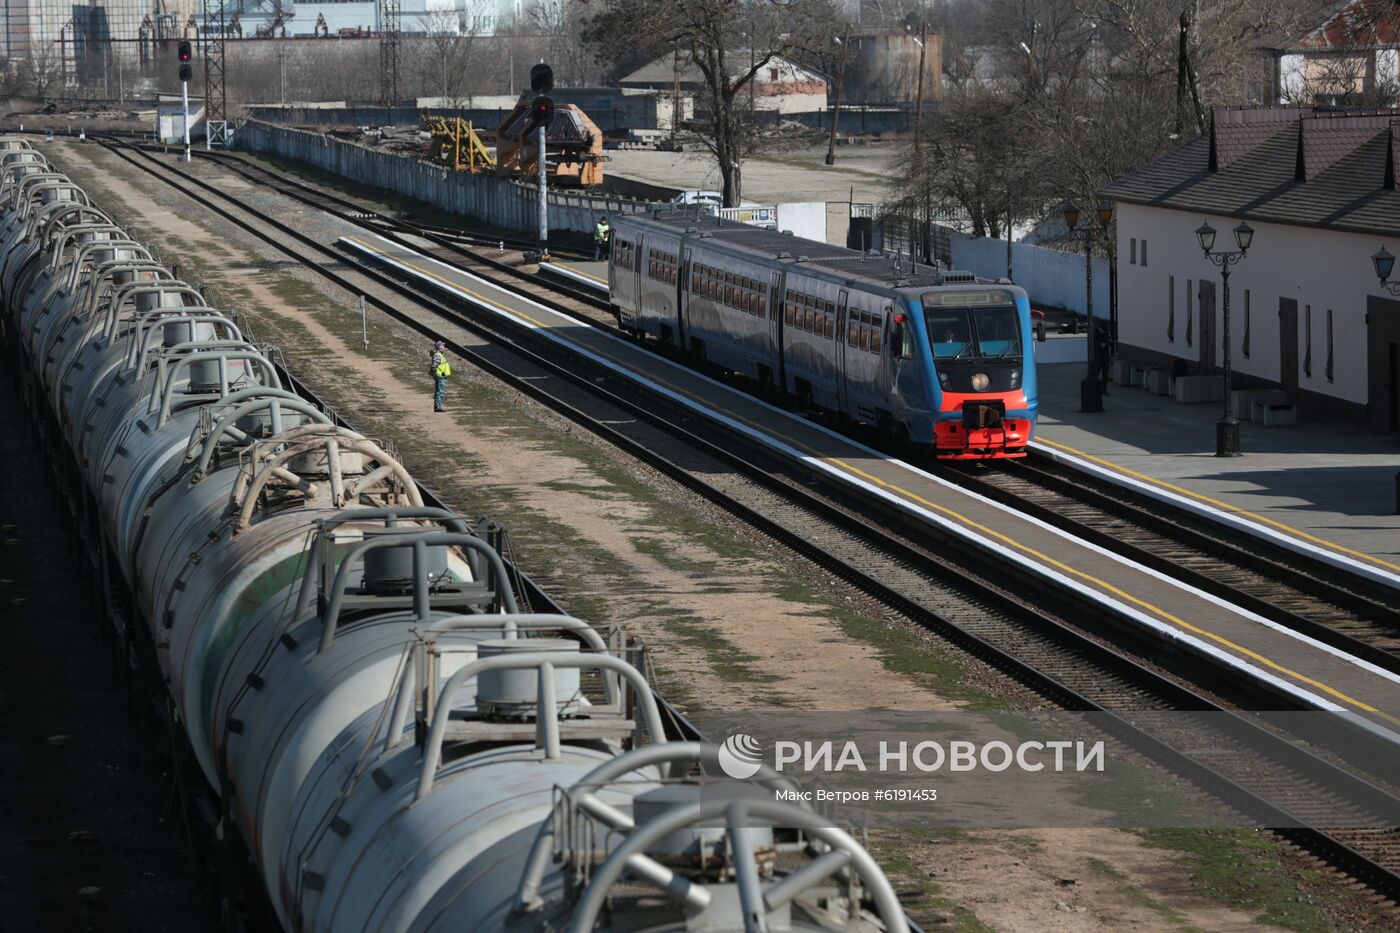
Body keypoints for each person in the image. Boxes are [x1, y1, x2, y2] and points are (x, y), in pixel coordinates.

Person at [430, 340, 451, 412]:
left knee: (439, 391)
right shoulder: (438, 355)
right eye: (443, 345)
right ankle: (438, 408)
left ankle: (437, 407)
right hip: (440, 377)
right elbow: (434, 366)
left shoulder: (439, 354)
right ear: (439, 347)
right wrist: (437, 374)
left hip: (441, 376)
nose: (444, 347)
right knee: (440, 392)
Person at [1094, 329, 1112, 396]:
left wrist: (1106, 343)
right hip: (1099, 357)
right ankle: (1096, 389)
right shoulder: (1096, 335)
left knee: (1105, 375)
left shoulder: (1106, 334)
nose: (1103, 331)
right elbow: (1094, 344)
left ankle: (1103, 390)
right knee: (1096, 373)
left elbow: (1110, 342)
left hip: (1105, 357)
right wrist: (1100, 344)